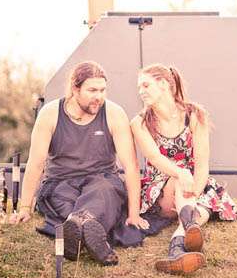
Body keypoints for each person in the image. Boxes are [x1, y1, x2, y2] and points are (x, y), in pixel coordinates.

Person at [11, 60, 150, 264]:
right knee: (67, 202)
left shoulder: (114, 113)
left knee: (103, 193)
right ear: (75, 89)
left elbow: (131, 166)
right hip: (61, 182)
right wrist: (25, 207)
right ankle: (89, 233)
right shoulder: (50, 114)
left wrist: (134, 214)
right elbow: (36, 163)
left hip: (101, 180)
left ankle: (78, 229)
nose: (99, 96)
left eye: (102, 90)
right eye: (92, 90)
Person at [131, 63, 237, 275]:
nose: (141, 91)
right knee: (182, 177)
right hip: (161, 189)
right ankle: (189, 224)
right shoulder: (140, 122)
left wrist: (194, 193)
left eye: (146, 85)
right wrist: (181, 173)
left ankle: (178, 248)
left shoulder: (194, 115)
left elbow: (202, 161)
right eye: (139, 87)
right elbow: (155, 158)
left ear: (163, 84)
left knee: (202, 209)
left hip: (193, 185)